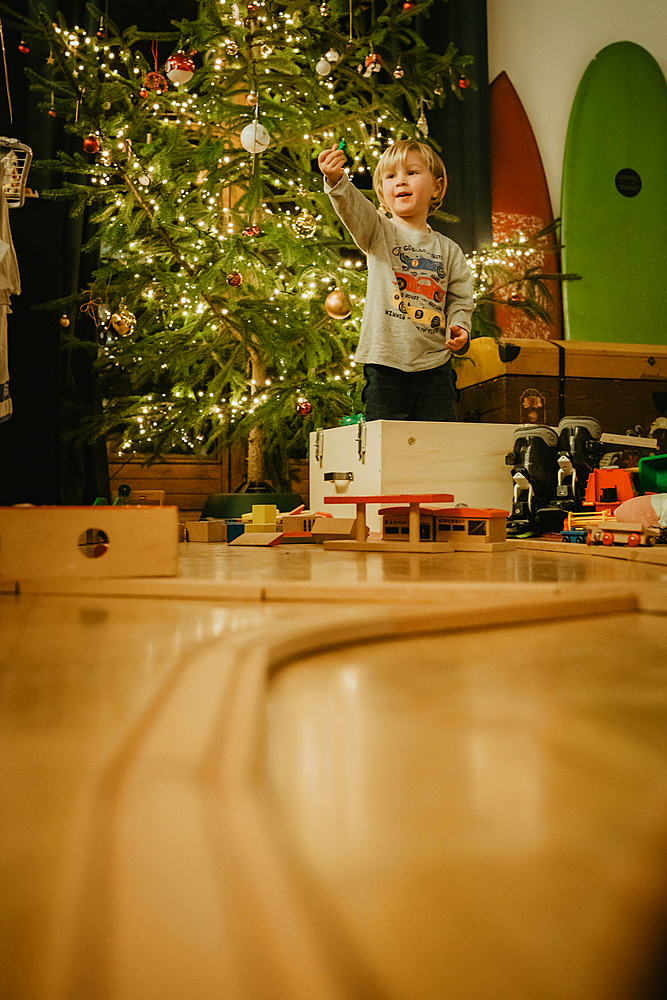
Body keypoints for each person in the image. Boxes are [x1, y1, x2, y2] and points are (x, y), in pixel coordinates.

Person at [318, 138, 473, 421]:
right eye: (391, 176)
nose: (400, 181)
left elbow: (460, 299)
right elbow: (353, 207)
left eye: (411, 173)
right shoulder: (377, 231)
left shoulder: (449, 250)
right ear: (381, 192)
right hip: (385, 366)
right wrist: (337, 179)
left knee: (436, 445)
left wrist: (460, 326)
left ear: (436, 187)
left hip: (435, 368)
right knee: (386, 450)